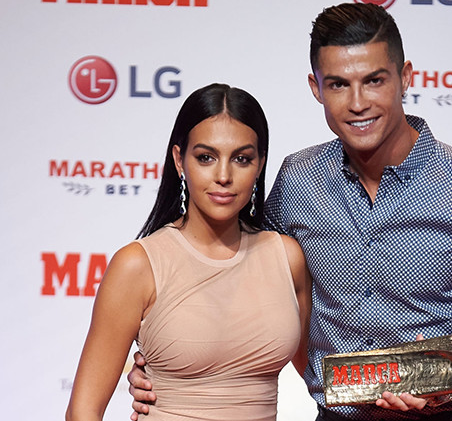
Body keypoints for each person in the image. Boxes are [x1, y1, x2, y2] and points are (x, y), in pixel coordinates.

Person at [128, 3, 452, 421]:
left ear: (405, 78)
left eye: (374, 81)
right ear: (316, 88)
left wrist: (447, 379)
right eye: (339, 84)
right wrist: (166, 367)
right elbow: (239, 274)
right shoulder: (298, 180)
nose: (357, 103)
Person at [65, 83, 311, 421]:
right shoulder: (139, 265)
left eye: (241, 159)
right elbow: (82, 411)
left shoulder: (286, 257)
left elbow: (320, 374)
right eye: (206, 157)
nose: (223, 176)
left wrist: (388, 384)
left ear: (260, 164)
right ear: (180, 160)